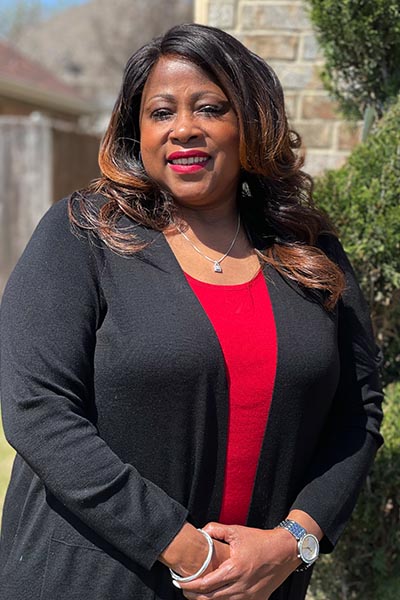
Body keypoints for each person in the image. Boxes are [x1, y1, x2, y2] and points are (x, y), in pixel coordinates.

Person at [0, 23, 383, 600]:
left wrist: (293, 541)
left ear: (252, 123)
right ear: (138, 130)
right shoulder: (83, 233)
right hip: (89, 578)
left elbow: (359, 413)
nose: (183, 129)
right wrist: (188, 549)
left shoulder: (310, 252)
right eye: (160, 113)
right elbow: (37, 409)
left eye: (210, 107)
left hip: (260, 586)